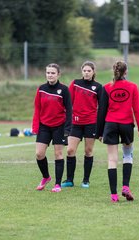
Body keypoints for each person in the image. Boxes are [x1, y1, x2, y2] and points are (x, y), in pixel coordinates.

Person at [96, 60, 139, 202]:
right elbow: (137, 110)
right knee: (128, 156)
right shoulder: (133, 87)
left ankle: (113, 195)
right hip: (126, 125)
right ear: (126, 71)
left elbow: (101, 111)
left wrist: (99, 132)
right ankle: (125, 187)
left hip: (110, 125)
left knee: (112, 160)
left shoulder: (106, 88)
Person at [31, 63, 72, 193]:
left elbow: (69, 110)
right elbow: (37, 108)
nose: (50, 75)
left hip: (59, 126)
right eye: (48, 73)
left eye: (53, 73)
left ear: (58, 74)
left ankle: (58, 184)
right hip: (44, 126)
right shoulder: (41, 89)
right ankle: (46, 177)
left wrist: (67, 129)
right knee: (39, 154)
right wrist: (35, 126)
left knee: (58, 154)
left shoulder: (64, 90)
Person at [61, 61, 102, 189]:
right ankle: (69, 180)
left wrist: (101, 128)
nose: (86, 73)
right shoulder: (75, 83)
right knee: (70, 150)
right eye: (84, 70)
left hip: (91, 123)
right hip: (76, 123)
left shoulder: (98, 87)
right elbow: (68, 102)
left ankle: (86, 180)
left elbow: (102, 108)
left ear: (93, 72)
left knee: (88, 151)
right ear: (81, 71)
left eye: (89, 70)